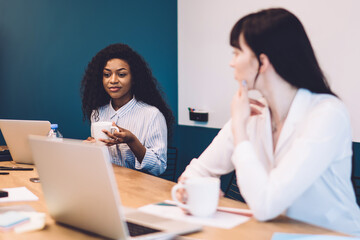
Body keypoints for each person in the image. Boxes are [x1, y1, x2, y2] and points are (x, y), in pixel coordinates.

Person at [178, 8, 360, 236]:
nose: (231, 63)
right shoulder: (251, 114)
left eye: (236, 53)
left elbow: (266, 204)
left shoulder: (327, 114)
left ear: (262, 62)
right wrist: (190, 191)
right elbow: (194, 174)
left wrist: (239, 130)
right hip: (274, 234)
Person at [80, 43, 174, 176]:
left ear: (134, 78)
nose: (113, 80)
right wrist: (91, 149)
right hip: (108, 185)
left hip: (140, 190)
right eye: (107, 75)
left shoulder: (152, 115)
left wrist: (132, 141)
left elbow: (159, 167)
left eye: (121, 74)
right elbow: (102, 163)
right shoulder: (97, 113)